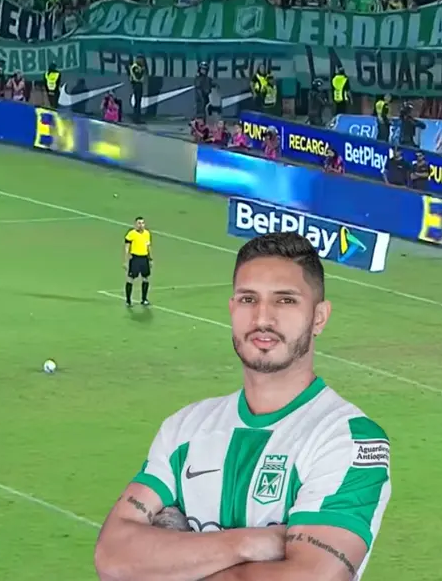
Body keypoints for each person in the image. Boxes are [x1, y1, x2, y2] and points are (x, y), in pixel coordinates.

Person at [93, 232, 392, 581]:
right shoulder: (184, 429)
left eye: (285, 301)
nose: (263, 318)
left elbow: (313, 577)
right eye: (249, 299)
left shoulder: (349, 439)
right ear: (232, 308)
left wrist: (169, 562)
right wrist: (252, 543)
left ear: (319, 317)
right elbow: (112, 556)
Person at [123, 217, 152, 307]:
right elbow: (127, 247)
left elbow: (148, 246)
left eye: (142, 223)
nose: (141, 225)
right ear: (135, 224)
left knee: (145, 278)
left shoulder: (147, 233)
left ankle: (144, 299)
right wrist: (125, 260)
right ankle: (128, 300)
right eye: (139, 223)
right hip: (135, 258)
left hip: (144, 258)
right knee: (131, 279)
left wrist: (150, 258)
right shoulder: (131, 234)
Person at [129, 56, 147, 123]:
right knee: (137, 102)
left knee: (139, 102)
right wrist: (142, 70)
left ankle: (138, 117)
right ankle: (136, 118)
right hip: (136, 84)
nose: (142, 61)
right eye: (141, 60)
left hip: (139, 84)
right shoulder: (135, 67)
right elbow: (138, 76)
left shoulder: (139, 66)